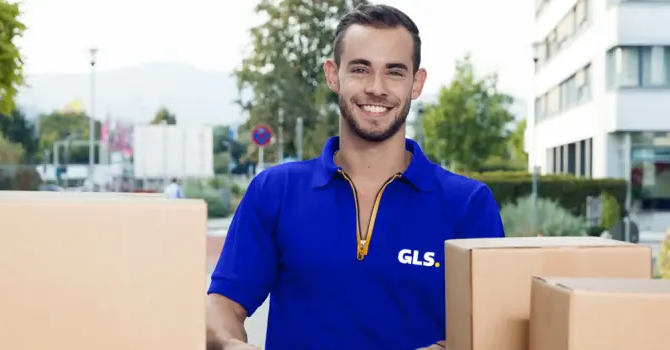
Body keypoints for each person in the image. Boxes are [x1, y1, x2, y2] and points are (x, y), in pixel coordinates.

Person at [206, 4, 505, 350]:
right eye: (361, 69)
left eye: (394, 72)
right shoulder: (275, 191)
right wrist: (228, 344)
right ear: (333, 75)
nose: (376, 88)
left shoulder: (467, 204)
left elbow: (489, 329)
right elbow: (223, 304)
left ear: (416, 83)